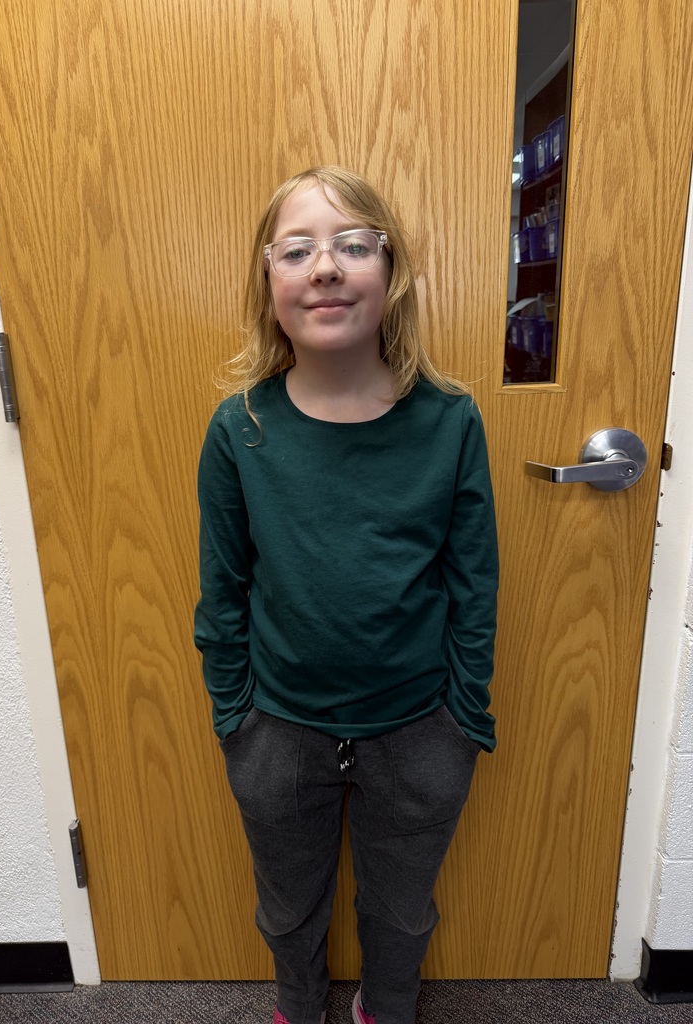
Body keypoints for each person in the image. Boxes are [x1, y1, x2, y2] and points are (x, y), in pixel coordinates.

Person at [194, 166, 498, 1024]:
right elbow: (223, 591)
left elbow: (474, 584)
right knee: (288, 908)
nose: (324, 267)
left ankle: (386, 1008)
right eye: (298, 250)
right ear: (270, 281)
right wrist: (236, 721)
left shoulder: (449, 419)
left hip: (419, 729)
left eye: (352, 245)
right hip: (279, 731)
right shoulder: (241, 427)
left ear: (390, 271)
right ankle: (300, 1005)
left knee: (402, 911)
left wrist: (462, 721)